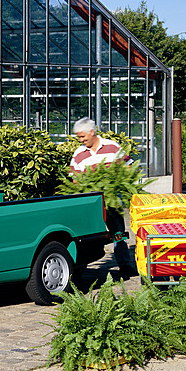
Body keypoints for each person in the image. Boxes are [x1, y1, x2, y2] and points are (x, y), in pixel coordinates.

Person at [69, 117, 137, 280]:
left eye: (82, 136)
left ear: (92, 132)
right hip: (90, 204)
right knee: (86, 236)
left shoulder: (112, 147)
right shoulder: (79, 154)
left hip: (112, 200)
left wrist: (120, 182)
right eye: (79, 137)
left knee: (118, 232)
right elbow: (74, 179)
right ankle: (79, 268)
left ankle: (125, 265)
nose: (81, 140)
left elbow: (128, 167)